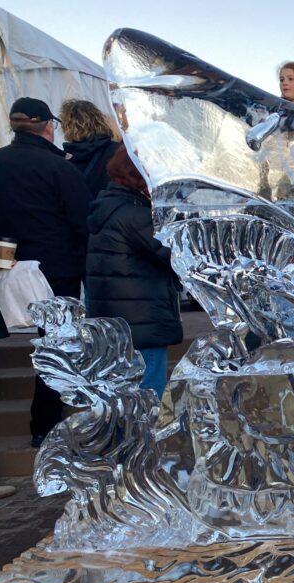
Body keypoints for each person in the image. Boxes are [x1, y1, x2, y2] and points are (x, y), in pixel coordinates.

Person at [0, 98, 92, 447]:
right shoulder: (59, 168)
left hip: (11, 265)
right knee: (58, 346)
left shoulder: (0, 163)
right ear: (48, 126)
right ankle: (49, 425)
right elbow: (82, 223)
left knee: (47, 345)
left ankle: (45, 426)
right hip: (58, 269)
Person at [86, 145, 182, 398]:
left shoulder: (109, 207)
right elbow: (176, 255)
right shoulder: (135, 215)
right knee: (147, 394)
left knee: (124, 396)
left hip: (119, 321)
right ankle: (145, 439)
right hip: (140, 322)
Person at [59, 99, 120, 198]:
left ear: (66, 126)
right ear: (99, 119)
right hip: (111, 210)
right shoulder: (117, 152)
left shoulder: (62, 159)